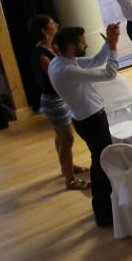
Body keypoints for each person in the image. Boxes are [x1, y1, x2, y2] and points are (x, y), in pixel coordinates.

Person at [48, 24, 121, 227]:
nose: (86, 44)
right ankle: (104, 213)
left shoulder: (59, 62)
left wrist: (108, 42)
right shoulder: (67, 70)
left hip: (84, 118)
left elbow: (95, 61)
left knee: (100, 161)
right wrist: (114, 46)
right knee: (101, 163)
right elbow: (109, 73)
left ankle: (104, 208)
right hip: (91, 120)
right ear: (71, 47)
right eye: (82, 42)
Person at [30, 14, 88, 191]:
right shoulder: (42, 54)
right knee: (67, 139)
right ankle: (70, 180)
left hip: (57, 99)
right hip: (53, 101)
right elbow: (57, 77)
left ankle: (67, 168)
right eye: (52, 24)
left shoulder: (51, 47)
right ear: (43, 30)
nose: (56, 25)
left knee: (61, 137)